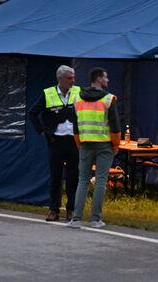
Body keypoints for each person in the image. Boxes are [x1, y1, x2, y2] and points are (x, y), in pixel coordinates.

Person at [68, 66, 121, 230]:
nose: (107, 80)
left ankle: (76, 219)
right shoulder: (108, 99)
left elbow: (75, 127)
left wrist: (80, 144)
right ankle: (95, 219)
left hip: (85, 144)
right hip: (104, 145)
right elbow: (115, 127)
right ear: (99, 79)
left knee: (82, 181)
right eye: (105, 77)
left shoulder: (77, 99)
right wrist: (115, 146)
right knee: (100, 182)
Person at [29, 65, 81, 222]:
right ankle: (54, 210)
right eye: (69, 78)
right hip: (56, 140)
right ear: (60, 79)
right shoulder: (48, 94)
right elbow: (32, 113)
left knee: (73, 177)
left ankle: (71, 210)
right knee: (55, 177)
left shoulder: (78, 92)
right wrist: (43, 132)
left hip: (74, 140)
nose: (73, 81)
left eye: (73, 77)